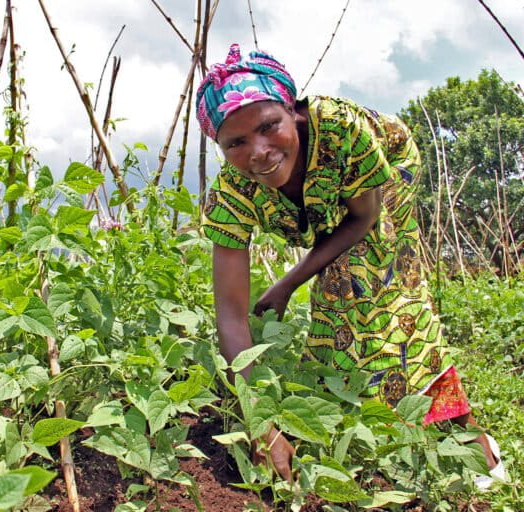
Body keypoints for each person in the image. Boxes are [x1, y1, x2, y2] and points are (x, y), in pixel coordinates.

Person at [195, 43, 505, 487]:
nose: (259, 152)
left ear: (293, 109)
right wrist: (260, 420)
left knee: (371, 293)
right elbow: (229, 312)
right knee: (332, 319)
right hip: (331, 210)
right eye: (236, 143)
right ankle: (354, 427)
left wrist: (286, 284)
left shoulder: (340, 128)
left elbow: (361, 218)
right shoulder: (231, 195)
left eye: (269, 126)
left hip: (384, 176)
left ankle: (469, 435)